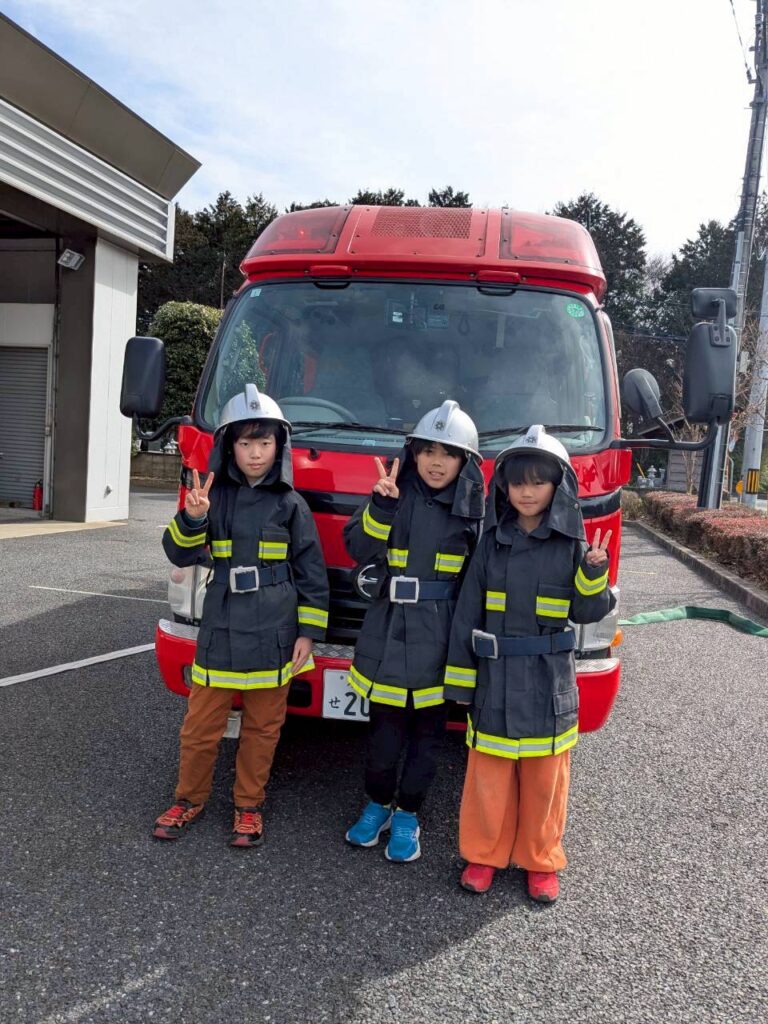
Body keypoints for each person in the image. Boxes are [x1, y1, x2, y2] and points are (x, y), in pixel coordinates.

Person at [153, 383, 329, 847]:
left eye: (264, 442)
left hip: (275, 631)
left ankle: (248, 807)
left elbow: (312, 574)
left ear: (278, 446)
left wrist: (308, 633)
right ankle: (188, 799)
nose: (255, 453)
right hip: (222, 625)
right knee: (200, 727)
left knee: (263, 730)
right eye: (246, 442)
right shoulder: (211, 497)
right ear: (230, 446)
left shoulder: (291, 504)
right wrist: (193, 518)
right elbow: (179, 553)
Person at [443, 425, 613, 901]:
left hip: (548, 683)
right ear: (504, 487)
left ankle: (541, 860)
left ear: (558, 487)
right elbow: (466, 615)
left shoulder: (574, 546)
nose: (527, 492)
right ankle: (483, 855)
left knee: (545, 781)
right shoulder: (490, 543)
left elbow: (587, 612)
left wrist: (593, 573)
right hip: (494, 681)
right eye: (518, 482)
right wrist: (461, 684)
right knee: (488, 777)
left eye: (538, 482)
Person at [343, 400, 485, 862]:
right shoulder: (390, 495)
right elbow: (356, 547)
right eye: (427, 451)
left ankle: (408, 814)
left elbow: (476, 588)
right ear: (413, 453)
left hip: (440, 643)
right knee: (382, 742)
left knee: (427, 743)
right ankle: (377, 805)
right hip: (388, 634)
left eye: (448, 453)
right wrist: (381, 508)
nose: (436, 462)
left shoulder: (473, 515)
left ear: (465, 462)